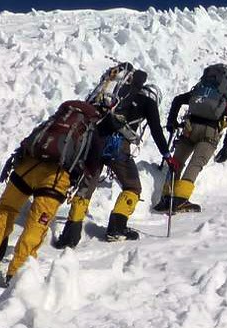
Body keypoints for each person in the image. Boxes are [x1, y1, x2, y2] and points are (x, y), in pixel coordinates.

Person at [0, 100, 106, 283]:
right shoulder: (90, 131)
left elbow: (29, 141)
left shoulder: (56, 120)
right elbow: (93, 164)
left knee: (6, 210)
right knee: (36, 224)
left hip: (26, 168)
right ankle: (18, 273)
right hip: (56, 178)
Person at [53, 70, 167, 248]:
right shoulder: (148, 102)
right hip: (117, 146)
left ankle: (70, 234)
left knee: (86, 186)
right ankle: (117, 228)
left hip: (94, 139)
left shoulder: (118, 95)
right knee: (132, 187)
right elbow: (157, 131)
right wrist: (167, 154)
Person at [154, 64, 227, 213]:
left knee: (177, 162)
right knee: (195, 164)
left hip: (189, 128)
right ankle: (180, 200)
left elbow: (177, 100)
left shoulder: (202, 90)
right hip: (210, 133)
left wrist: (171, 121)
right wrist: (226, 146)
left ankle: (166, 198)